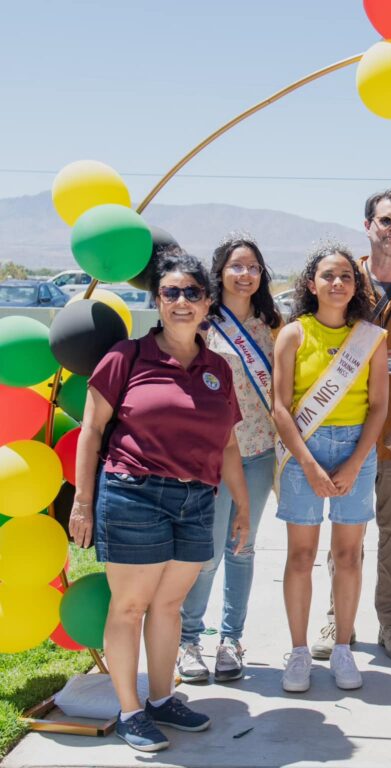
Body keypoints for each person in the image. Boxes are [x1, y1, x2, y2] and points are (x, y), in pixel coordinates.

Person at [68, 248, 250, 753]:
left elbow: (229, 444)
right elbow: (92, 432)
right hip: (134, 494)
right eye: (171, 292)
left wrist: (242, 505)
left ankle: (162, 699)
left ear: (208, 302)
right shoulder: (126, 357)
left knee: (169, 606)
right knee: (129, 607)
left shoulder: (219, 369)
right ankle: (129, 711)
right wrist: (83, 502)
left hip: (197, 500)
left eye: (193, 292)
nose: (182, 301)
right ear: (157, 301)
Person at [311, 189, 391, 663]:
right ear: (367, 226)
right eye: (384, 221)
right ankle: (340, 620)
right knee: (347, 532)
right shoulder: (341, 278)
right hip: (346, 431)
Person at [272, 243, 388, 694]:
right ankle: (299, 652)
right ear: (310, 283)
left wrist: (356, 461)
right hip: (305, 450)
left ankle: (342, 648)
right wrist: (309, 464)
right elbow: (281, 408)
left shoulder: (371, 339)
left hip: (355, 448)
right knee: (300, 557)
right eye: (327, 275)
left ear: (356, 285)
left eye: (345, 276)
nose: (337, 283)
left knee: (348, 556)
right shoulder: (293, 335)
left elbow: (378, 407)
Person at [178, 235, 281, 684]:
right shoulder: (202, 323)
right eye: (236, 266)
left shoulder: (272, 325)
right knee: (206, 553)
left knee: (242, 546)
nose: (245, 274)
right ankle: (188, 640)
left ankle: (231, 639)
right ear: (219, 272)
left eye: (253, 267)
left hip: (257, 451)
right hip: (210, 455)